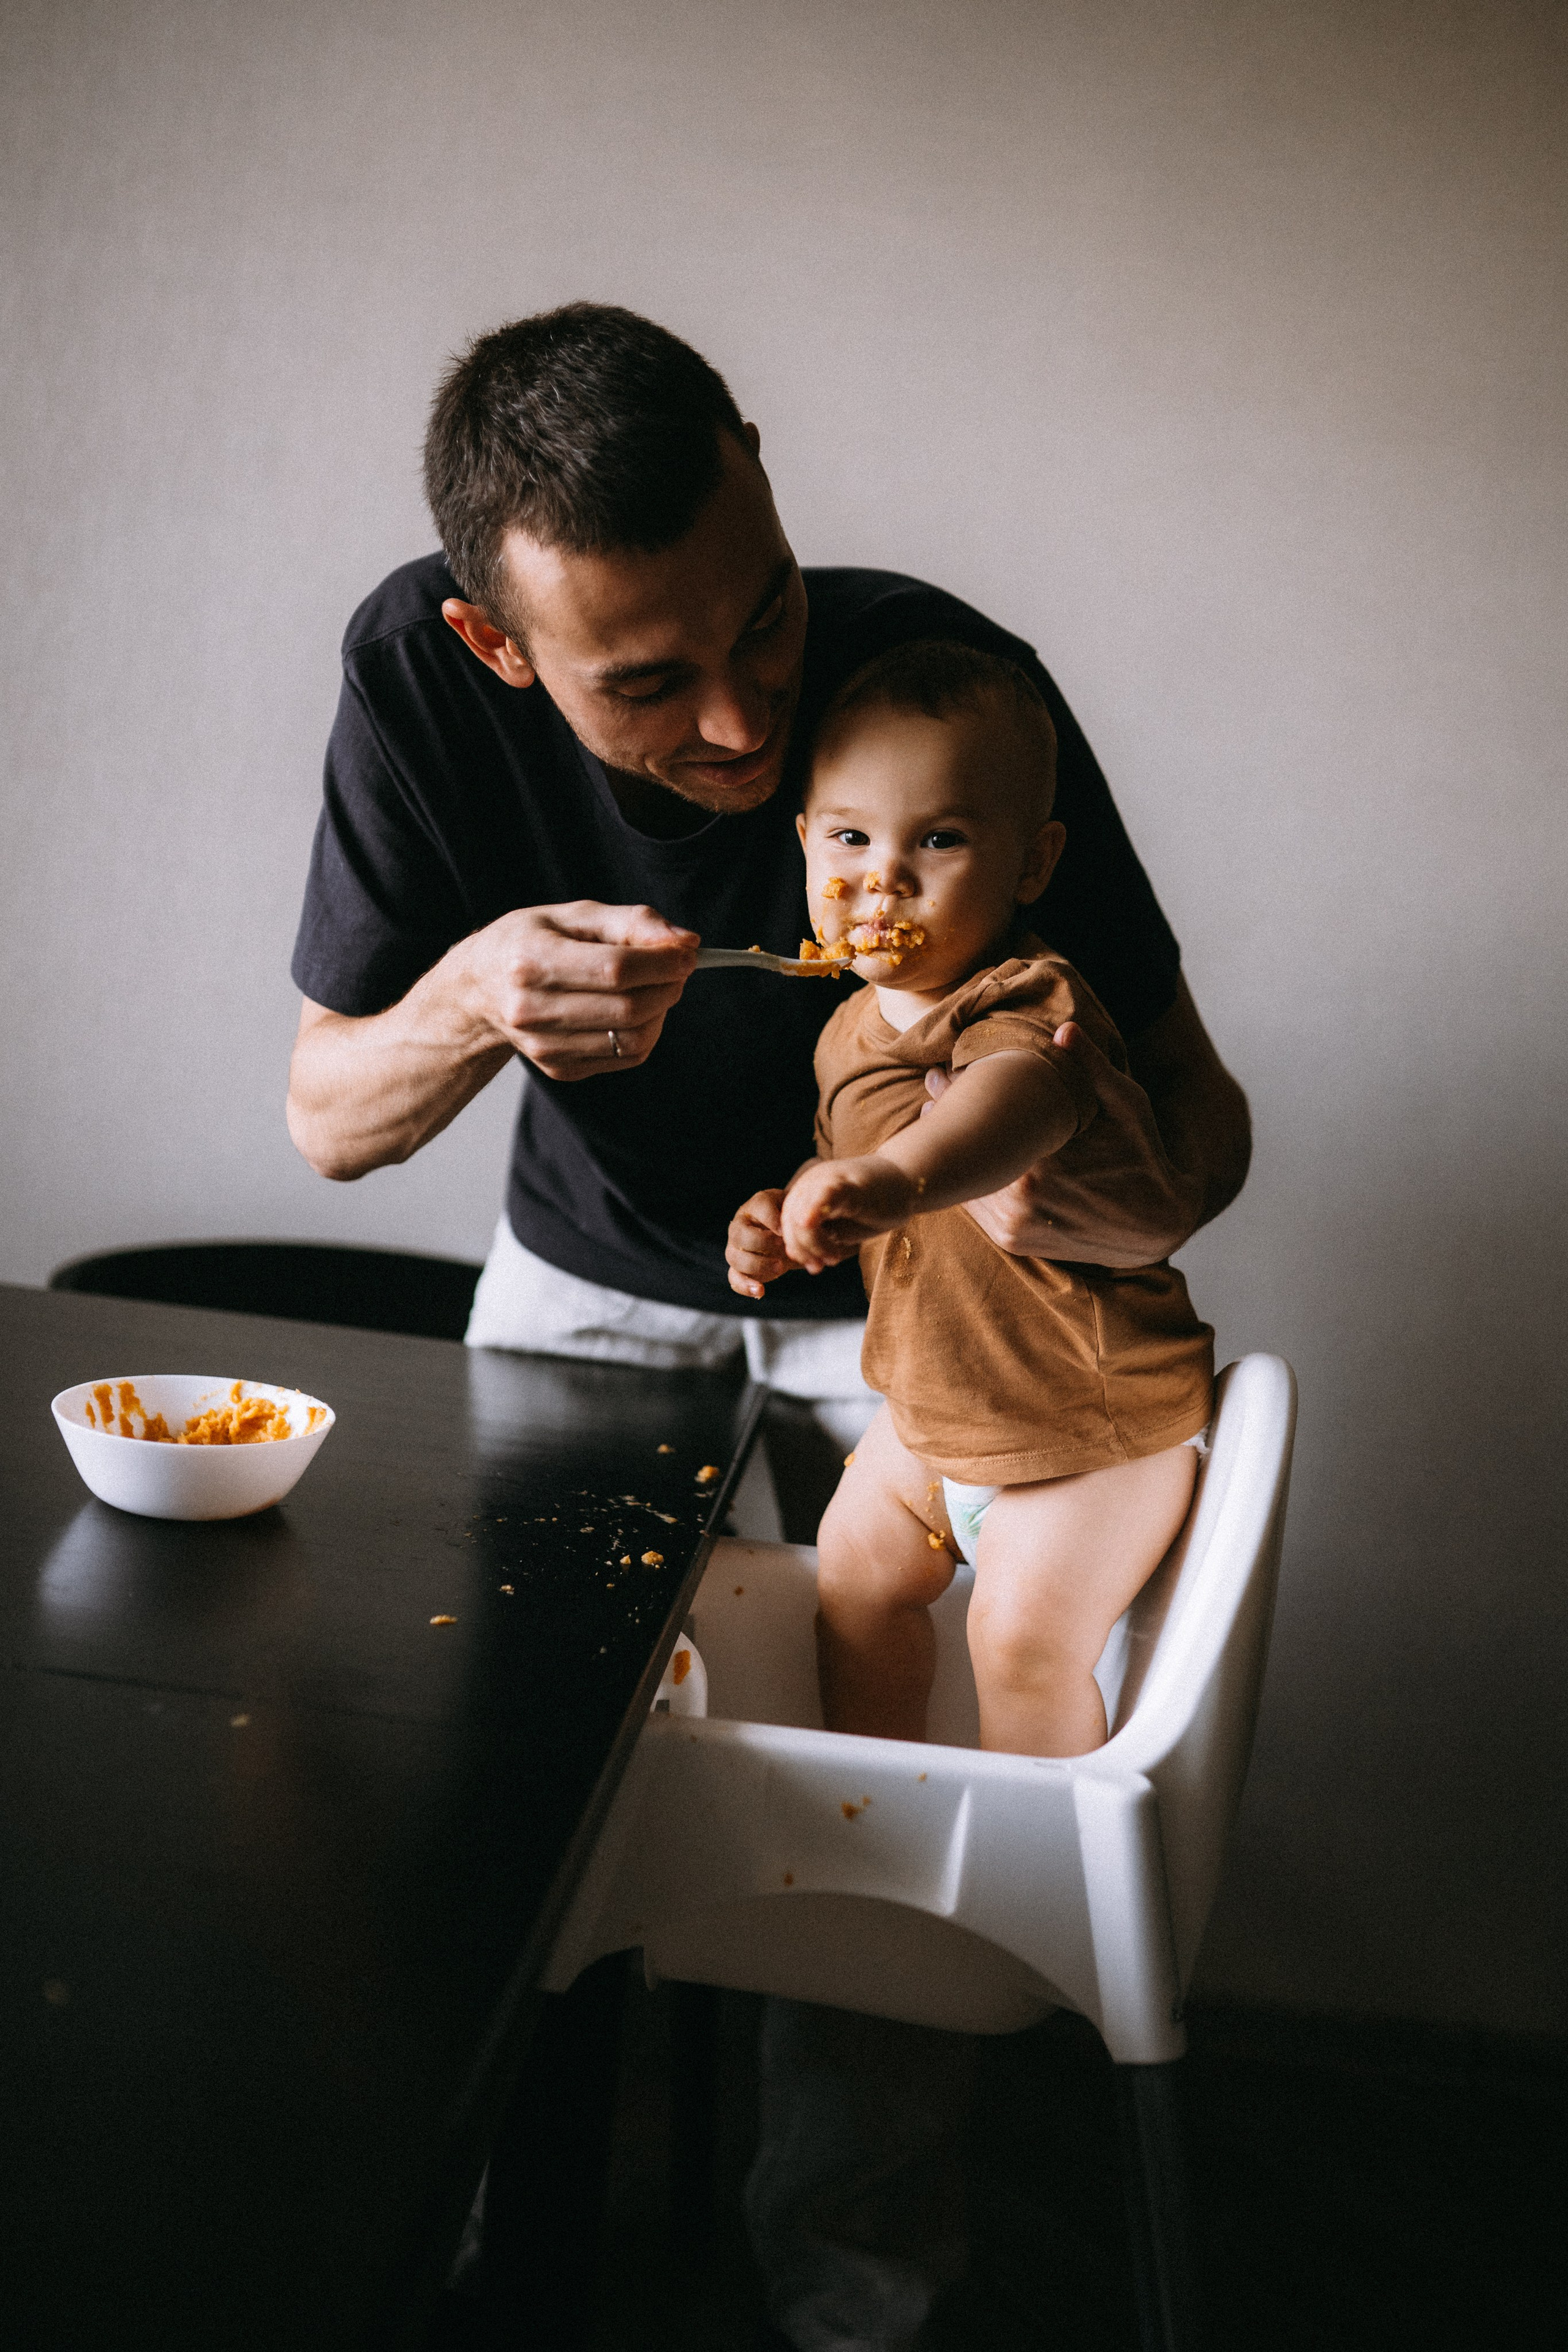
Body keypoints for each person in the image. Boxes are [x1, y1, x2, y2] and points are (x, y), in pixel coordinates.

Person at [285, 303, 1250, 2350]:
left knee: (873, 1794)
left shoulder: (937, 690)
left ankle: (859, 2295)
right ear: (503, 651)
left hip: (926, 1338)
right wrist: (472, 999)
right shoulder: (410, 676)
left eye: (767, 624)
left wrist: (1032, 1170)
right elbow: (325, 1121)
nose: (746, 730)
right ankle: (504, 2264)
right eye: (651, 686)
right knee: (532, 1780)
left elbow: (1204, 1140)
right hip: (584, 1296)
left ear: (757, 458)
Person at [727, 638, 1213, 1761]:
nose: (881, 879)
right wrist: (790, 1210)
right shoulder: (847, 1029)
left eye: (937, 840)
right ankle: (886, 1803)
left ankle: (1026, 1878)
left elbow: (1016, 1101)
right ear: (803, 840)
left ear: (1030, 865)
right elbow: (841, 1163)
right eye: (849, 837)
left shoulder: (1023, 996)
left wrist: (891, 1180)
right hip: (937, 1414)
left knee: (1019, 1642)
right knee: (848, 1577)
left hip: (1092, 1427)